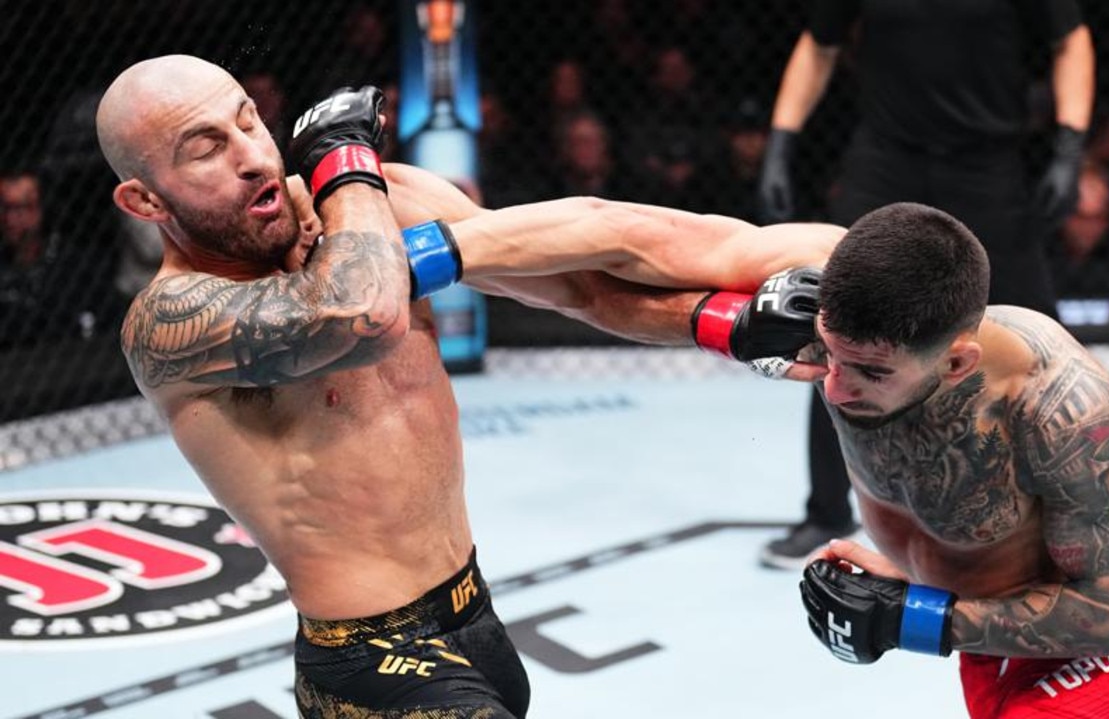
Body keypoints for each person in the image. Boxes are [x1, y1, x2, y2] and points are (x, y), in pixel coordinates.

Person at [96, 55, 839, 718]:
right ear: (145, 202)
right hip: (367, 665)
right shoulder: (172, 323)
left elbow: (578, 282)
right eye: (207, 149)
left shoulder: (366, 202)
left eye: (249, 122)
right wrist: (348, 167)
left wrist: (721, 324)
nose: (252, 158)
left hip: (475, 617)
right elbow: (362, 314)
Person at [755, 0, 1096, 569]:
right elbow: (819, 44)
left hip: (986, 165)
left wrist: (1070, 146)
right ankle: (826, 512)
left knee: (1041, 343)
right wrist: (781, 141)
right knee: (840, 327)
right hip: (888, 162)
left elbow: (1072, 41)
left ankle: (1071, 508)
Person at [796, 202, 1109, 718]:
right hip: (987, 645)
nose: (832, 388)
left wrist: (912, 619)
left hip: (1096, 659)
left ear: (954, 363)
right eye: (829, 354)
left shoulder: (1057, 404)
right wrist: (723, 324)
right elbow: (664, 248)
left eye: (871, 371)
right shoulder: (827, 305)